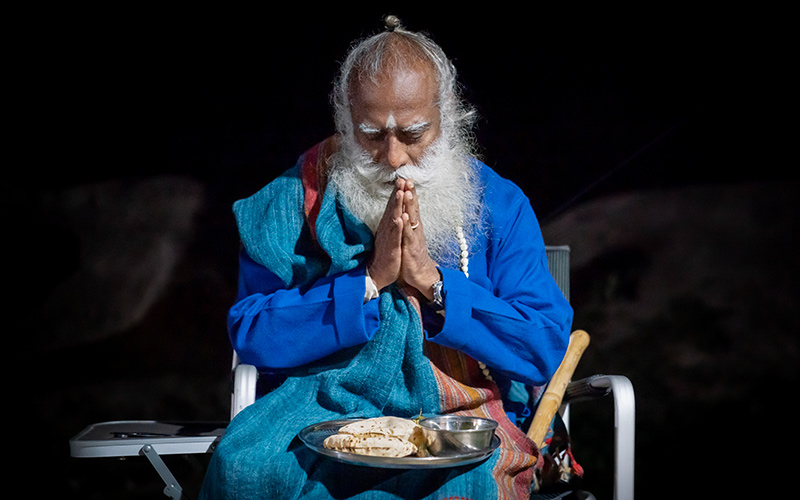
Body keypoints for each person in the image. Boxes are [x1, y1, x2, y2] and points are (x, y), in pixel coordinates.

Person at [200, 16, 573, 500]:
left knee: (467, 485)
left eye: (413, 134)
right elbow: (251, 333)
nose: (393, 156)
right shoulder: (291, 203)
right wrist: (370, 281)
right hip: (315, 410)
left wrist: (433, 282)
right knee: (247, 470)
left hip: (462, 419)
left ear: (450, 116)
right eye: (371, 135)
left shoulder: (497, 204)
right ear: (344, 120)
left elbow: (542, 345)